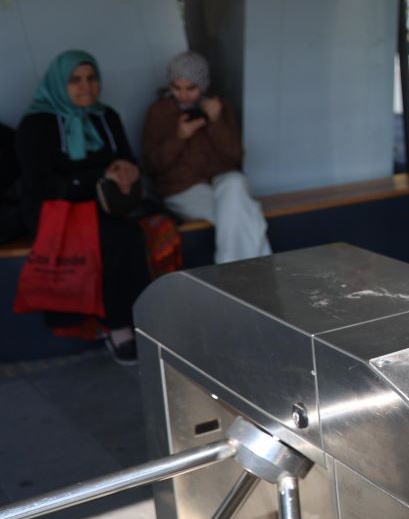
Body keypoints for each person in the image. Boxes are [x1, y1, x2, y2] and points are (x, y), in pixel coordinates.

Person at [14, 50, 151, 363]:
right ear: (58, 84)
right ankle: (118, 326)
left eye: (92, 78)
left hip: (102, 206)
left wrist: (127, 170)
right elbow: (40, 184)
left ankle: (142, 319)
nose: (86, 86)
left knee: (134, 230)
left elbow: (126, 158)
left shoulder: (105, 117)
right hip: (55, 210)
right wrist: (99, 175)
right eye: (75, 80)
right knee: (119, 237)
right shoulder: (37, 124)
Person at [142, 51, 270, 264]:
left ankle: (231, 270)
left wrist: (216, 121)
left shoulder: (219, 108)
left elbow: (235, 156)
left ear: (202, 85)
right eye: (176, 87)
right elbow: (152, 165)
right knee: (241, 214)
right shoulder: (159, 112)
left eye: (191, 88)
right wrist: (179, 137)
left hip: (221, 182)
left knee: (235, 184)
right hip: (181, 189)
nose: (183, 95)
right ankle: (253, 270)